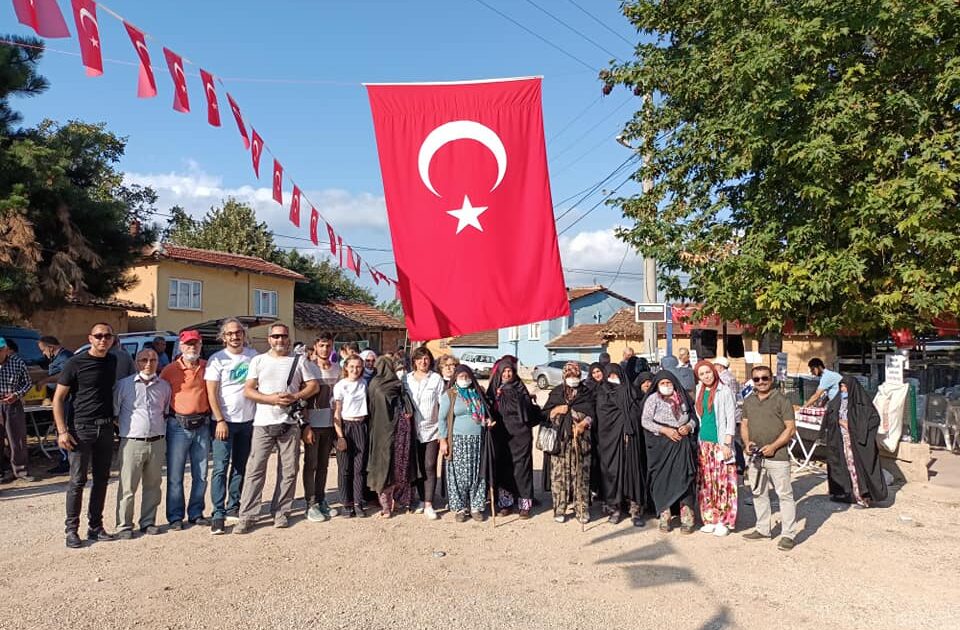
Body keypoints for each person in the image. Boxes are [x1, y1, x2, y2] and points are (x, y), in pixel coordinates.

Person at [234, 323, 318, 533]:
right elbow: (248, 390)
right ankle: (248, 515)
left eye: (283, 337)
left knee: (289, 470)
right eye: (276, 337)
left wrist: (295, 396)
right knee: (255, 470)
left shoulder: (299, 361)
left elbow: (313, 385)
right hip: (263, 422)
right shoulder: (258, 361)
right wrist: (270, 399)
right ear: (269, 339)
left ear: (288, 339)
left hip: (289, 423)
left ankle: (281, 512)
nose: (280, 340)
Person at [52, 323, 119, 548]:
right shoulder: (75, 363)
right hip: (81, 429)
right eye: (99, 336)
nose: (103, 340)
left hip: (106, 428)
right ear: (90, 338)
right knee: (78, 481)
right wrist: (62, 431)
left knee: (101, 479)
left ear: (112, 339)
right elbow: (58, 399)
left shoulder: (113, 361)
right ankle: (71, 530)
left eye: (107, 336)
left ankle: (96, 527)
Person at [204, 318, 259, 535]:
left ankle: (233, 506)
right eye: (230, 334)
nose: (234, 337)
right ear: (223, 337)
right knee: (220, 468)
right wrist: (219, 419)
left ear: (244, 334)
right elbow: (211, 392)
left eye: (238, 333)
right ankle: (217, 513)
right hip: (224, 422)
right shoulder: (217, 360)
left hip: (248, 421)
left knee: (240, 466)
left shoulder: (254, 357)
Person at [113, 349, 171, 538]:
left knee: (153, 484)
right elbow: (115, 412)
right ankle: (124, 525)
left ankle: (148, 522)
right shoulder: (124, 385)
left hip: (157, 441)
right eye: (144, 360)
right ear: (136, 362)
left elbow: (165, 411)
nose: (148, 363)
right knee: (128, 486)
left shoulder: (164, 386)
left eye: (153, 360)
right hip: (132, 442)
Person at [741, 365, 798, 551]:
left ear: (771, 379)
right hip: (756, 456)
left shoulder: (782, 400)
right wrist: (747, 442)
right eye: (756, 379)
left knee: (785, 495)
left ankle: (788, 534)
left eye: (765, 378)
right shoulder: (749, 401)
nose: (761, 382)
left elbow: (790, 429)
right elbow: (744, 424)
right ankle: (763, 529)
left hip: (778, 456)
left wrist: (773, 447)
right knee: (758, 492)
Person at [161, 330, 211, 530]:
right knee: (175, 474)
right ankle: (175, 517)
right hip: (178, 426)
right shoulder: (170, 370)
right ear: (181, 347)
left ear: (200, 346)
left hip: (203, 424)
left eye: (195, 344)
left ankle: (196, 513)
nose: (192, 347)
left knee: (201, 473)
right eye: (188, 344)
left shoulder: (208, 367)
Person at [641, 371, 698, 534]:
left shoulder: (682, 397)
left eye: (669, 383)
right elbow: (645, 421)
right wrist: (664, 430)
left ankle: (687, 518)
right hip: (661, 445)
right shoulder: (653, 399)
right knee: (662, 480)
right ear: (657, 385)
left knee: (684, 479)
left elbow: (693, 417)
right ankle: (665, 517)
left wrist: (688, 427)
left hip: (682, 442)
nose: (666, 386)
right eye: (662, 383)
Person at [820, 376, 888, 508]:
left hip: (856, 444)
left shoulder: (862, 405)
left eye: (845, 387)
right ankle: (847, 494)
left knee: (857, 470)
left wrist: (851, 426)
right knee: (845, 469)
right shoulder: (837, 402)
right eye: (841, 387)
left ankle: (863, 497)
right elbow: (830, 416)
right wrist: (838, 422)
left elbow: (873, 420)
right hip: (841, 441)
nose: (842, 390)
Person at [595, 363, 648, 527]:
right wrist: (618, 426)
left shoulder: (631, 391)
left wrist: (628, 427)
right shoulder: (602, 393)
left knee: (632, 473)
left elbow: (637, 413)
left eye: (615, 374)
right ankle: (614, 508)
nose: (613, 378)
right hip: (610, 442)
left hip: (630, 440)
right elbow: (602, 417)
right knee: (612, 473)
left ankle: (634, 510)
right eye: (609, 375)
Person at [543, 362, 595, 525]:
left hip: (581, 442)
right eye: (570, 376)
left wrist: (583, 424)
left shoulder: (587, 392)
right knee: (560, 477)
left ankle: (582, 509)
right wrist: (556, 410)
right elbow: (544, 414)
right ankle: (560, 509)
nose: (573, 379)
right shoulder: (557, 392)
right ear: (564, 376)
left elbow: (593, 413)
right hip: (561, 443)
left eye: (576, 376)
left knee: (581, 477)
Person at [439, 365, 492, 522]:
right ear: (455, 377)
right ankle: (460, 508)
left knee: (477, 474)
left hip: (477, 441)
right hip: (458, 441)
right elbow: (441, 419)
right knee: (459, 476)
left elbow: (485, 413)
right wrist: (443, 440)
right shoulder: (450, 395)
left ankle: (475, 506)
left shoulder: (477, 393)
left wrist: (487, 421)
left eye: (466, 376)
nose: (464, 380)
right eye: (461, 377)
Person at [487, 357, 539, 519]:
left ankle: (525, 505)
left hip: (520, 435)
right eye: (505, 371)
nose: (508, 373)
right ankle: (506, 503)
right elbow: (487, 409)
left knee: (522, 469)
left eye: (510, 371)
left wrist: (525, 400)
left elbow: (528, 411)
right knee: (504, 469)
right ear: (500, 373)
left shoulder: (520, 388)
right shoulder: (494, 390)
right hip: (501, 434)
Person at [367, 356, 418, 518]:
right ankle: (399, 501)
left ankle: (387, 506)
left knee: (385, 467)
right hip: (399, 432)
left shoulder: (374, 384)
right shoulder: (397, 384)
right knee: (398, 466)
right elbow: (408, 409)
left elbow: (370, 408)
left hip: (381, 432)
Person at [693, 360, 737, 537]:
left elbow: (730, 419)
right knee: (707, 482)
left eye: (708, 372)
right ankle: (709, 517)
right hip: (704, 444)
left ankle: (723, 520)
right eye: (702, 374)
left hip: (720, 443)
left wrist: (727, 443)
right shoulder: (699, 391)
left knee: (723, 483)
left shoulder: (724, 390)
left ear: (714, 371)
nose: (706, 376)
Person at [302, 333, 340, 522]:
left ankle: (321, 498)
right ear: (315, 346)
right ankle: (310, 504)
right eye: (322, 345)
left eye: (329, 346)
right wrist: (306, 425)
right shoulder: (307, 368)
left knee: (324, 465)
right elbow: (303, 400)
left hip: (330, 424)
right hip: (313, 424)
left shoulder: (337, 369)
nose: (325, 349)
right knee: (311, 464)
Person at [405, 346, 444, 520]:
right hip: (413, 430)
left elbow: (443, 406)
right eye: (420, 359)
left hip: (432, 430)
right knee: (418, 466)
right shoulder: (406, 380)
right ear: (414, 361)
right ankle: (421, 499)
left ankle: (429, 502)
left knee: (429, 465)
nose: (423, 362)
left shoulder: (436, 379)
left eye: (426, 358)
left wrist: (443, 433)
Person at [333, 355, 369, 517]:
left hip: (361, 426)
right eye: (352, 366)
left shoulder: (364, 384)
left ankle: (357, 501)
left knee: (359, 468)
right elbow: (337, 412)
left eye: (359, 367)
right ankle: (346, 502)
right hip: (345, 426)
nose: (355, 370)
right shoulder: (341, 386)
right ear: (346, 367)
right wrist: (340, 436)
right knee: (345, 468)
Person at [36, 335, 74, 474]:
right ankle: (67, 459)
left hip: (66, 399)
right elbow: (39, 361)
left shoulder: (65, 357)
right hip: (59, 398)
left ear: (51, 348)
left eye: (43, 350)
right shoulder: (56, 357)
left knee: (64, 428)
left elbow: (63, 375)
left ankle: (67, 462)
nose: (43, 354)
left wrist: (44, 380)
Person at [0, 337, 35, 483]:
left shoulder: (17, 362)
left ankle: (21, 471)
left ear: (6, 350)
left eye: (0, 350)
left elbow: (27, 382)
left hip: (13, 404)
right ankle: (1, 471)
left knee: (17, 439)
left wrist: (16, 395)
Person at [714, 357, 745, 473]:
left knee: (733, 440)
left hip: (731, 415)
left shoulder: (725, 378)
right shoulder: (730, 377)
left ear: (720, 366)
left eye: (715, 365)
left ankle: (739, 464)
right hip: (734, 414)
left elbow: (730, 399)